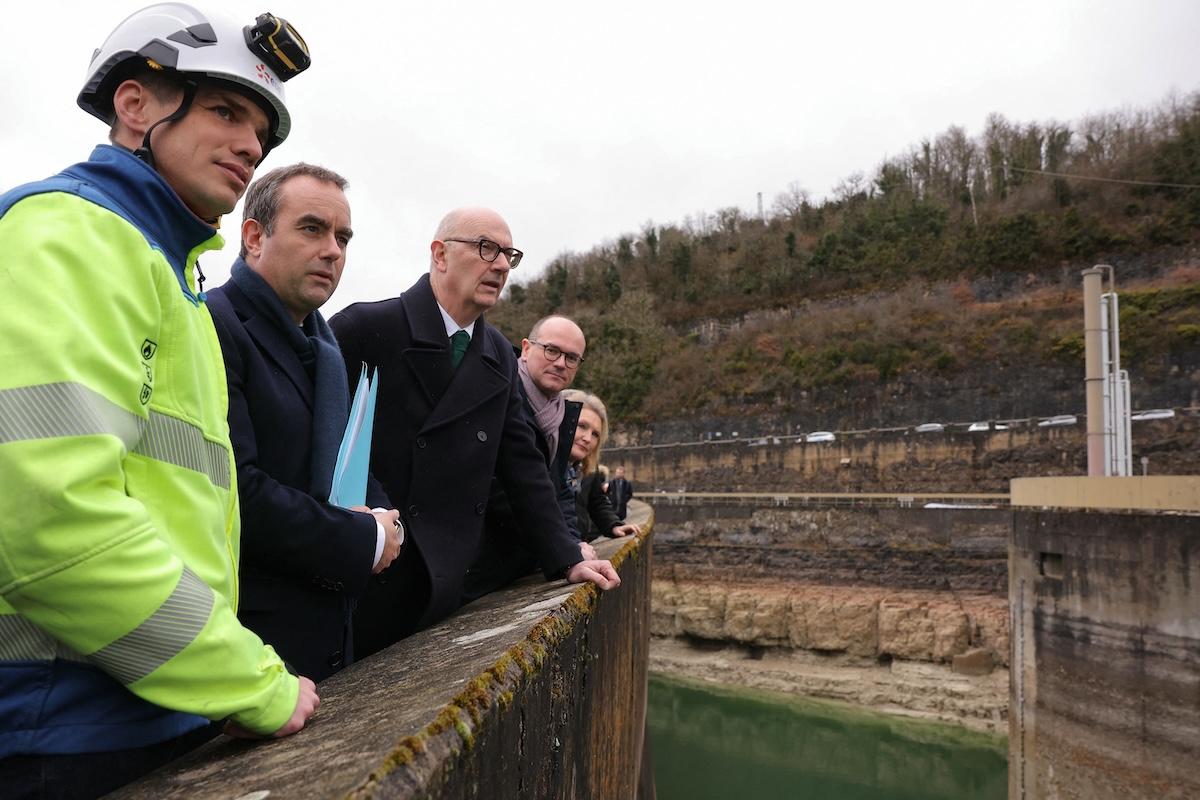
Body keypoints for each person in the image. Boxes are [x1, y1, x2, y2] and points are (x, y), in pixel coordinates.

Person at [0, 5, 318, 796]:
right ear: (134, 105)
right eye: (224, 110)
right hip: (60, 729)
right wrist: (250, 682)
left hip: (146, 710)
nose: (252, 145)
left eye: (262, 130)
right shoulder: (71, 231)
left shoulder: (171, 271)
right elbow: (52, 518)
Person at [330, 208, 621, 657]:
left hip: (450, 582)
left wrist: (565, 555)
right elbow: (327, 446)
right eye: (486, 248)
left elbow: (522, 464)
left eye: (509, 254)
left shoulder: (498, 356)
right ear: (440, 254)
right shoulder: (365, 328)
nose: (502, 265)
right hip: (371, 572)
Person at [207, 164, 403, 682]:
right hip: (253, 645)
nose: (333, 250)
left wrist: (388, 520)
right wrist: (363, 539)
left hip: (331, 631)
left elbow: (349, 463)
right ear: (253, 236)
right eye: (312, 229)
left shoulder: (326, 348)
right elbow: (235, 489)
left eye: (343, 237)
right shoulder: (216, 325)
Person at [462, 316, 590, 601]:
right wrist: (562, 549)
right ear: (526, 348)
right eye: (551, 350)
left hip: (518, 567)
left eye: (571, 358)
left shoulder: (561, 416)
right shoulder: (497, 392)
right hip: (476, 567)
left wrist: (571, 543)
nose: (560, 363)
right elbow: (505, 486)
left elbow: (559, 491)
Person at [562, 391, 642, 541]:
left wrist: (613, 525)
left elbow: (597, 501)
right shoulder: (542, 462)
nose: (587, 438)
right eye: (582, 426)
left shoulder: (589, 469)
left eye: (595, 434)